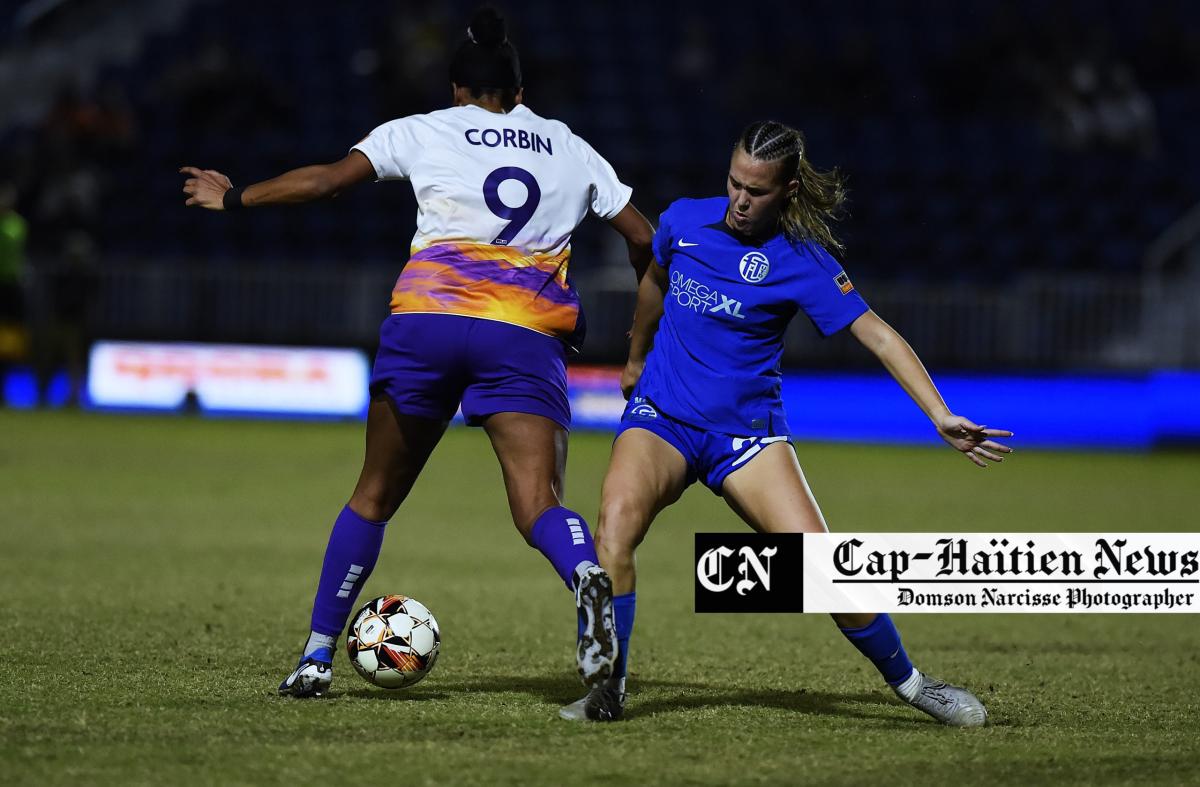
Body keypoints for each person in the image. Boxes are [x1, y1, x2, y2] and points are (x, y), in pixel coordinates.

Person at [180, 7, 654, 699]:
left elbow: (327, 182)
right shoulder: (570, 147)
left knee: (372, 496)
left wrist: (236, 198)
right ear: (520, 96)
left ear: (457, 90)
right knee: (538, 503)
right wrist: (640, 332)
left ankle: (315, 656)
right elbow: (642, 236)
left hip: (428, 323)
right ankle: (585, 574)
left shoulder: (422, 128)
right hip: (522, 332)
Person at [561, 120, 1012, 725]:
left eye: (757, 191)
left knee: (821, 569)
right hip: (662, 418)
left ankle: (912, 685)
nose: (740, 201)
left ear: (789, 190)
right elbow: (655, 282)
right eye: (734, 183)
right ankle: (608, 692)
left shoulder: (805, 262)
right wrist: (636, 357)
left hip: (746, 439)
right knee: (613, 531)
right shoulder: (684, 221)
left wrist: (939, 414)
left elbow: (875, 333)